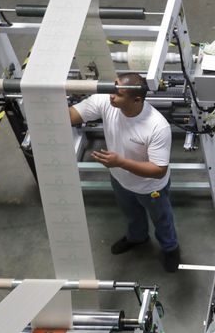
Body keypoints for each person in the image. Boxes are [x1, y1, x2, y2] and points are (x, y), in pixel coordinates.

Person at [69, 73, 181, 272]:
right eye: (113, 89)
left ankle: (170, 248)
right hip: (120, 179)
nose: (112, 95)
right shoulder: (106, 101)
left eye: (118, 94)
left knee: (162, 219)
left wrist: (119, 162)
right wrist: (46, 95)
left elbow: (158, 170)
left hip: (150, 187)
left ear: (136, 99)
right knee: (130, 213)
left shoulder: (157, 126)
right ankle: (137, 237)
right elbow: (71, 116)